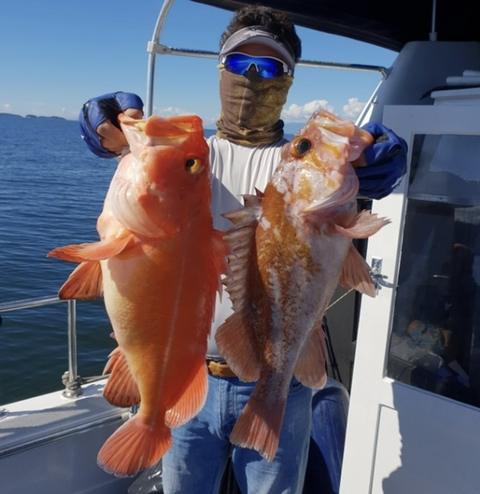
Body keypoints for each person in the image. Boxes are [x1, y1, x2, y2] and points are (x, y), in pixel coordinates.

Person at [79, 5, 407, 494]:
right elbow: (148, 180)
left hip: (283, 385)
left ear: (288, 81)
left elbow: (349, 186)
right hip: (189, 377)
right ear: (219, 71)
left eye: (269, 67)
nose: (252, 77)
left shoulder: (298, 164)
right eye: (238, 63)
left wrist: (382, 166)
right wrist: (106, 130)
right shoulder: (191, 160)